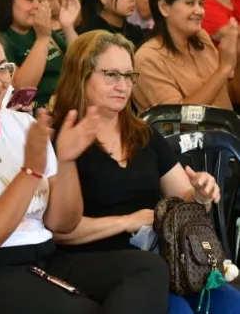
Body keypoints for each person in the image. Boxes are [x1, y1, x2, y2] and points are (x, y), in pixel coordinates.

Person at [0, 23, 169, 314]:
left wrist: (66, 161)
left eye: (3, 68)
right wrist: (30, 171)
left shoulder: (22, 125)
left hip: (44, 257)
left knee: (147, 268)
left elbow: (62, 223)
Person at [51, 30, 240, 314]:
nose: (122, 86)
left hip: (164, 258)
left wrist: (201, 193)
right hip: (95, 261)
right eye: (111, 75)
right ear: (81, 75)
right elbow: (59, 232)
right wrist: (127, 221)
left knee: (231, 303)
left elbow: (184, 198)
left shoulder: (143, 134)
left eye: (128, 76)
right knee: (178, 310)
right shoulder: (63, 140)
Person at [133, 0, 240, 111]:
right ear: (164, 7)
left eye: (201, 3)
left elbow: (233, 96)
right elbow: (178, 118)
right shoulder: (147, 58)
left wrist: (237, 58)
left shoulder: (201, 38)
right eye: (190, 3)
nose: (200, 11)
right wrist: (224, 69)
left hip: (228, 130)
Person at [0, 0, 80, 108]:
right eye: (30, 0)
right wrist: (42, 40)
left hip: (70, 99)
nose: (37, 6)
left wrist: (68, 27)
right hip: (38, 111)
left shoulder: (40, 29)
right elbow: (22, 88)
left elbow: (81, 60)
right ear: (7, 2)